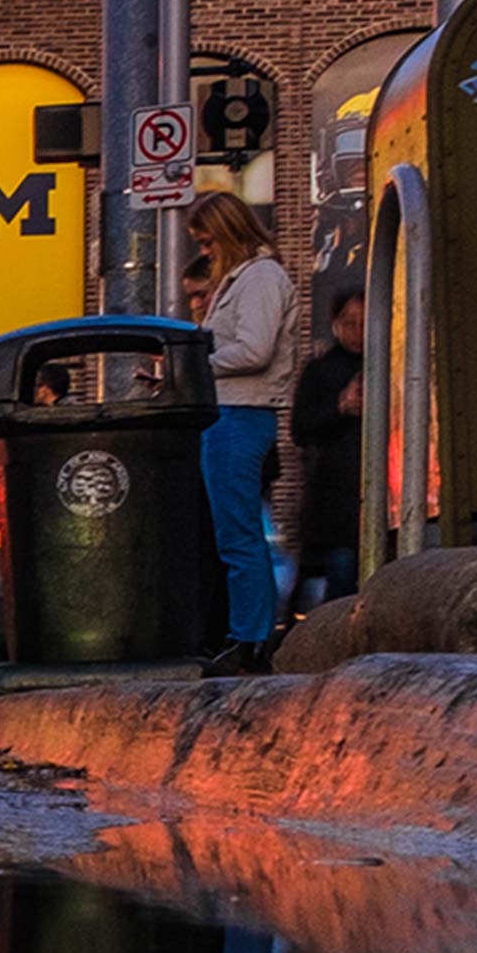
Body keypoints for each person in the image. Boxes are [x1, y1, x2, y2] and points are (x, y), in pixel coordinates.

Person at [188, 191, 295, 666]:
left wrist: (197, 365)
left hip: (242, 413)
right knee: (232, 532)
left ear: (228, 233)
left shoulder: (260, 278)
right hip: (230, 411)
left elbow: (255, 349)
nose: (205, 252)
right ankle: (244, 634)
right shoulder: (244, 279)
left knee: (238, 533)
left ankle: (249, 638)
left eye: (208, 241)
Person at [293, 286, 364, 608]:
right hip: (336, 494)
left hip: (379, 490)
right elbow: (301, 428)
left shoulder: (392, 363)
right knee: (341, 575)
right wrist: (339, 408)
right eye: (351, 324)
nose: (358, 333)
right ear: (336, 323)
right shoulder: (321, 370)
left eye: (365, 323)